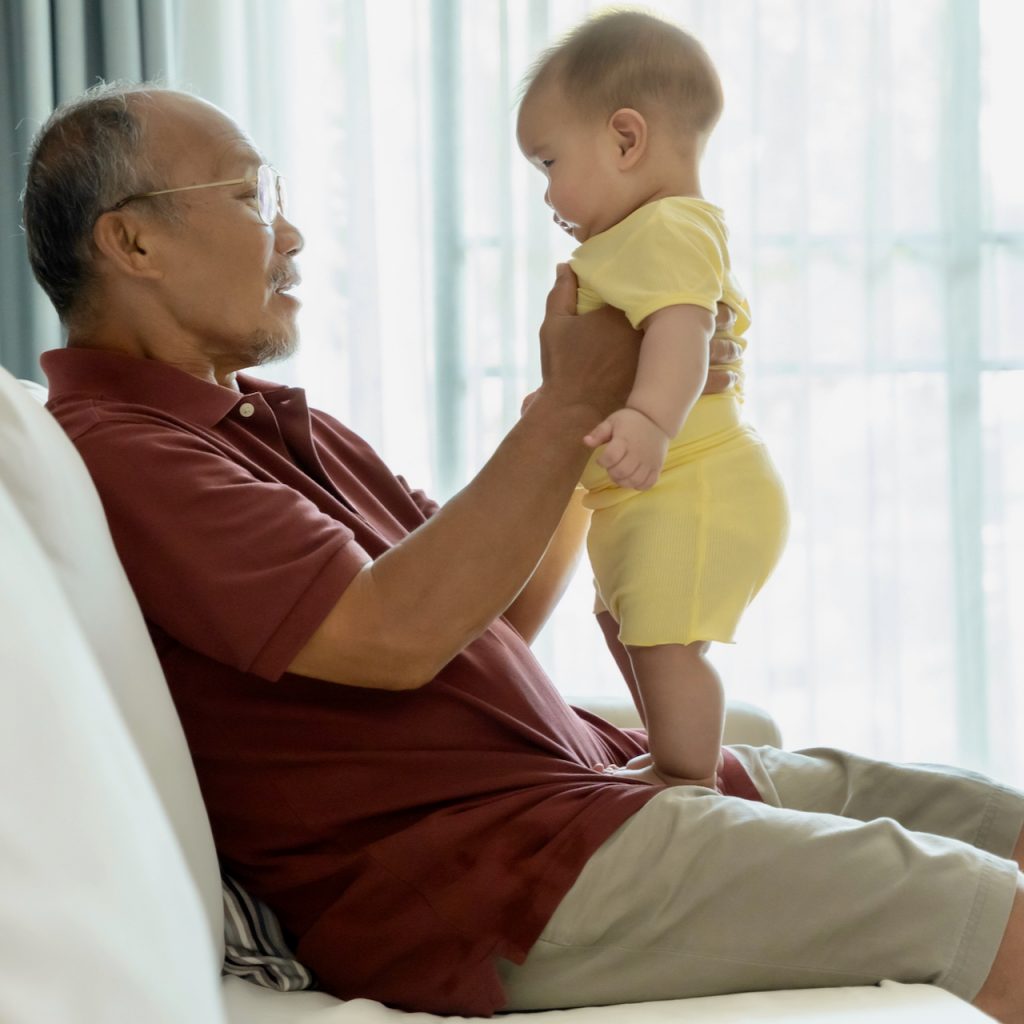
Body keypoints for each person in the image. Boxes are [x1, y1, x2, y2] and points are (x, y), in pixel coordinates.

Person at [20, 81, 1024, 1023]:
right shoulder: (127, 450)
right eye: (250, 195)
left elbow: (487, 614)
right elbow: (392, 634)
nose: (290, 233)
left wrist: (616, 416)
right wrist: (576, 405)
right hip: (492, 874)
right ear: (132, 240)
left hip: (584, 791)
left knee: (982, 814)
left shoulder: (270, 424)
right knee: (977, 902)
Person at [517, 10, 788, 789]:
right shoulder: (638, 236)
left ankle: (688, 776)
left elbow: (684, 332)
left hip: (694, 483)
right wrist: (571, 405)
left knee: (668, 643)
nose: (546, 193)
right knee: (626, 624)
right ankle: (671, 749)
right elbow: (619, 354)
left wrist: (646, 417)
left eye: (548, 162)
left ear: (626, 140)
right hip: (655, 490)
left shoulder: (667, 227)